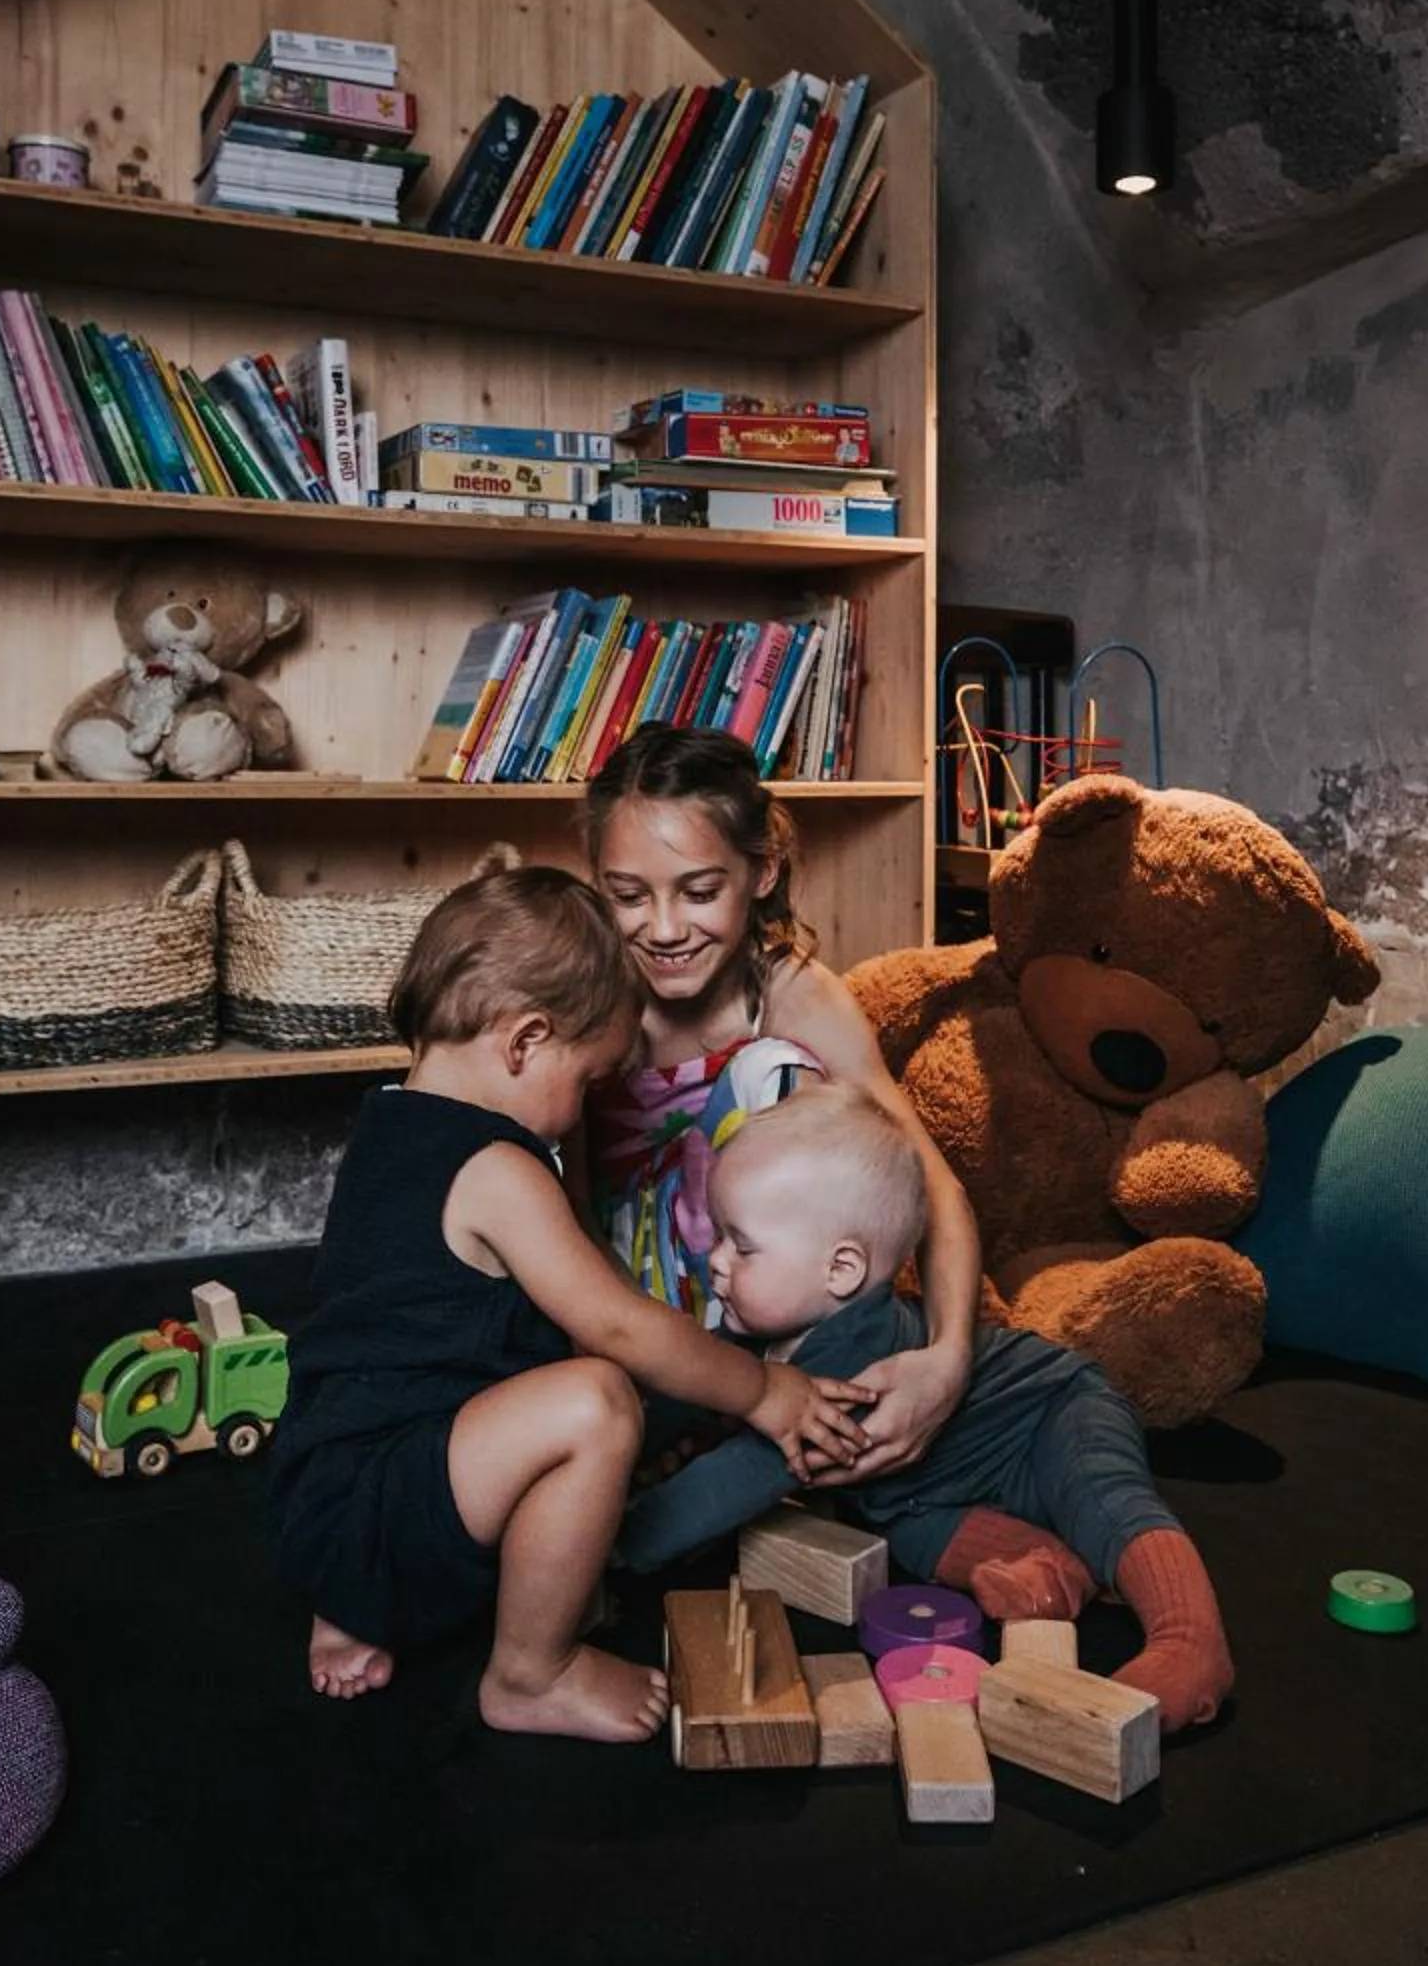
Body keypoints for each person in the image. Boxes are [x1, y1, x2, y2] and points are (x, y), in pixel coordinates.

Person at [264, 866, 874, 1743]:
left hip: (324, 1495)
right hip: (377, 1505)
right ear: (524, 1042)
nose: (580, 1114)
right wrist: (763, 1391)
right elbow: (618, 1325)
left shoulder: (391, 1124)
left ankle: (357, 1605)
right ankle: (530, 1674)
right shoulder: (499, 1169)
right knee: (594, 1401)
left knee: (532, 1382)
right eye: (587, 1083)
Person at [582, 722, 1090, 1619]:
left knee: (787, 1095)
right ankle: (694, 1455)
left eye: (699, 891)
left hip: (764, 1298)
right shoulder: (588, 989)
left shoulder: (792, 991)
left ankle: (770, 1429)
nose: (662, 929)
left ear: (761, 874)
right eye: (628, 894)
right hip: (626, 1315)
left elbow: (929, 1182)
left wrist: (947, 1361)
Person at [614, 1082, 1235, 1729]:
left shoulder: (850, 1356)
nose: (714, 1264)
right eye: (717, 1237)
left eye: (740, 1247)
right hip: (941, 1483)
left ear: (842, 1270)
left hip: (1048, 1410)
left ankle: (1190, 1640)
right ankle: (1048, 1566)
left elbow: (740, 1476)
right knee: (910, 1525)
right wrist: (626, 1445)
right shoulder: (772, 1327)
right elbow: (700, 1383)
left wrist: (621, 1540)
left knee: (1101, 1497)